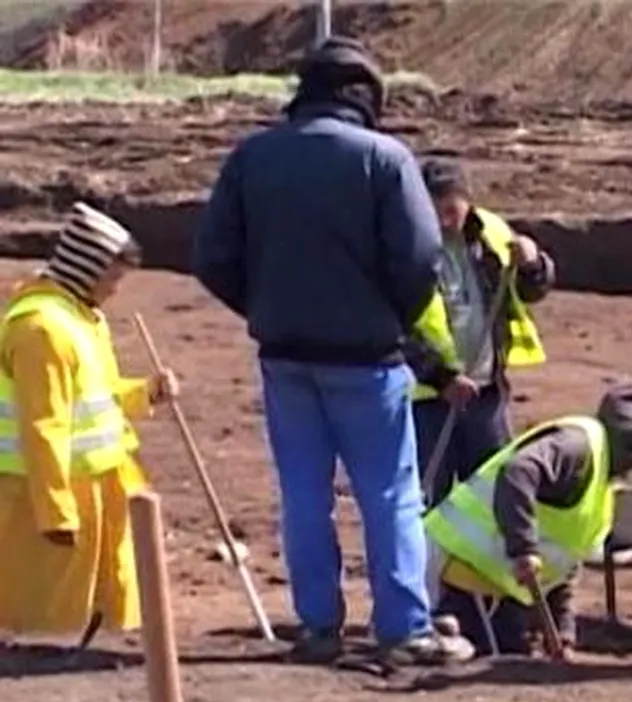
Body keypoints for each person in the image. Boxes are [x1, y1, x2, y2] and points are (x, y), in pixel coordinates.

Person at [191, 37, 473, 666]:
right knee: (391, 496)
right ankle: (403, 629)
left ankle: (318, 627)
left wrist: (265, 307)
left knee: (303, 495)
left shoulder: (252, 158)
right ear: (366, 95)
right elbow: (420, 257)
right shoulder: (385, 159)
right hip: (366, 361)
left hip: (285, 358)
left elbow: (212, 257)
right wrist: (388, 319)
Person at [0, 202, 178, 650]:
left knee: (91, 590)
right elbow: (45, 426)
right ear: (87, 269)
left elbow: (94, 396)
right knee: (43, 597)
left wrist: (145, 393)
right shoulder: (43, 330)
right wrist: (55, 511)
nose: (115, 291)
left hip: (96, 482)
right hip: (41, 488)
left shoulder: (81, 319)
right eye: (112, 279)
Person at [423, 381, 632, 658]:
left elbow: (566, 564)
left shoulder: (601, 481)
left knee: (515, 655)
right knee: (496, 657)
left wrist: (562, 634)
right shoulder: (575, 446)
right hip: (458, 572)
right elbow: (518, 471)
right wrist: (523, 549)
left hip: (497, 586)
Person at [407, 157, 554, 506]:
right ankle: (426, 561)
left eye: (449, 209)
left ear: (467, 200)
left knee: (492, 496)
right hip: (428, 398)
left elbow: (529, 290)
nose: (442, 220)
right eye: (432, 209)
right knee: (428, 500)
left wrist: (534, 264)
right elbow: (394, 328)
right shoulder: (404, 243)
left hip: (485, 392)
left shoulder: (492, 233)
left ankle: (486, 560)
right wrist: (442, 378)